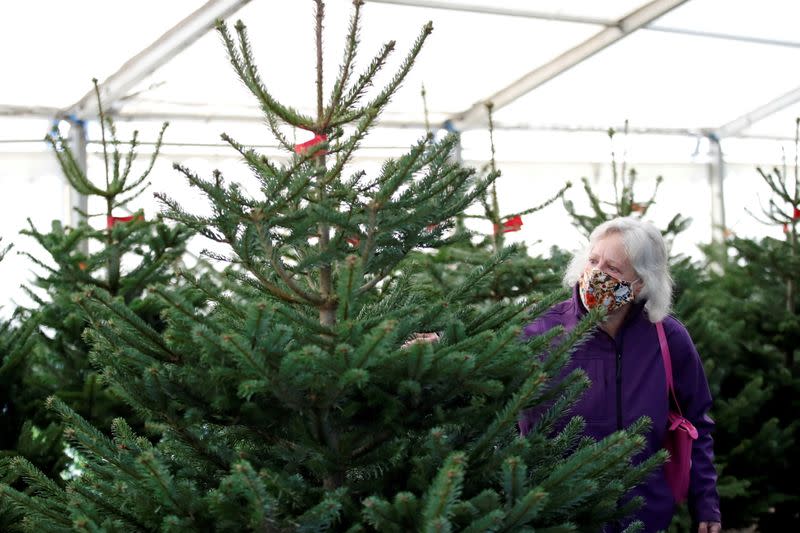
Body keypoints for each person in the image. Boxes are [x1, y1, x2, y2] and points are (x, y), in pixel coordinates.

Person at [519, 216, 720, 532]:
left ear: (641, 282)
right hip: (557, 515)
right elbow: (486, 359)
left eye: (612, 269)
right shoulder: (543, 329)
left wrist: (706, 502)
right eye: (593, 260)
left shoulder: (667, 338)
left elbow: (696, 423)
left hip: (642, 515)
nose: (596, 274)